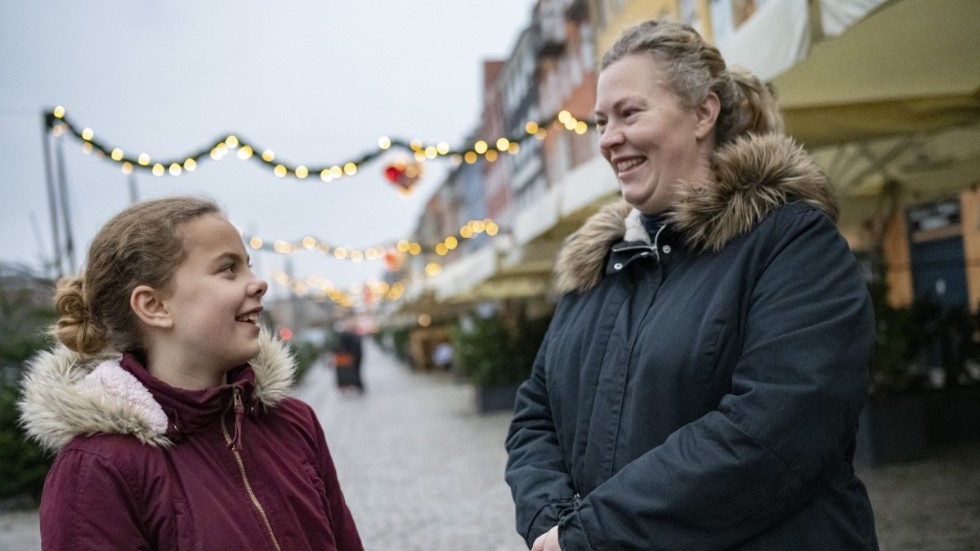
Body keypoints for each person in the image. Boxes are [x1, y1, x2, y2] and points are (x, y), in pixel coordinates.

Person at [505, 20, 878, 551]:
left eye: (630, 113)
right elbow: (534, 417)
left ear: (703, 112)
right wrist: (552, 523)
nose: (610, 139)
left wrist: (589, 535)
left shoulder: (791, 244)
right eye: (601, 121)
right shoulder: (598, 271)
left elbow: (774, 431)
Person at [19, 196, 363, 550]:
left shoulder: (293, 422)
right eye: (228, 269)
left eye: (248, 265)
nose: (259, 283)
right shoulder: (100, 468)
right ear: (154, 306)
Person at [333, 320, 365, 393]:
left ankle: (358, 385)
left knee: (355, 371)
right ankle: (358, 386)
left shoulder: (349, 336)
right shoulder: (350, 335)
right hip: (355, 356)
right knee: (355, 371)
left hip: (354, 356)